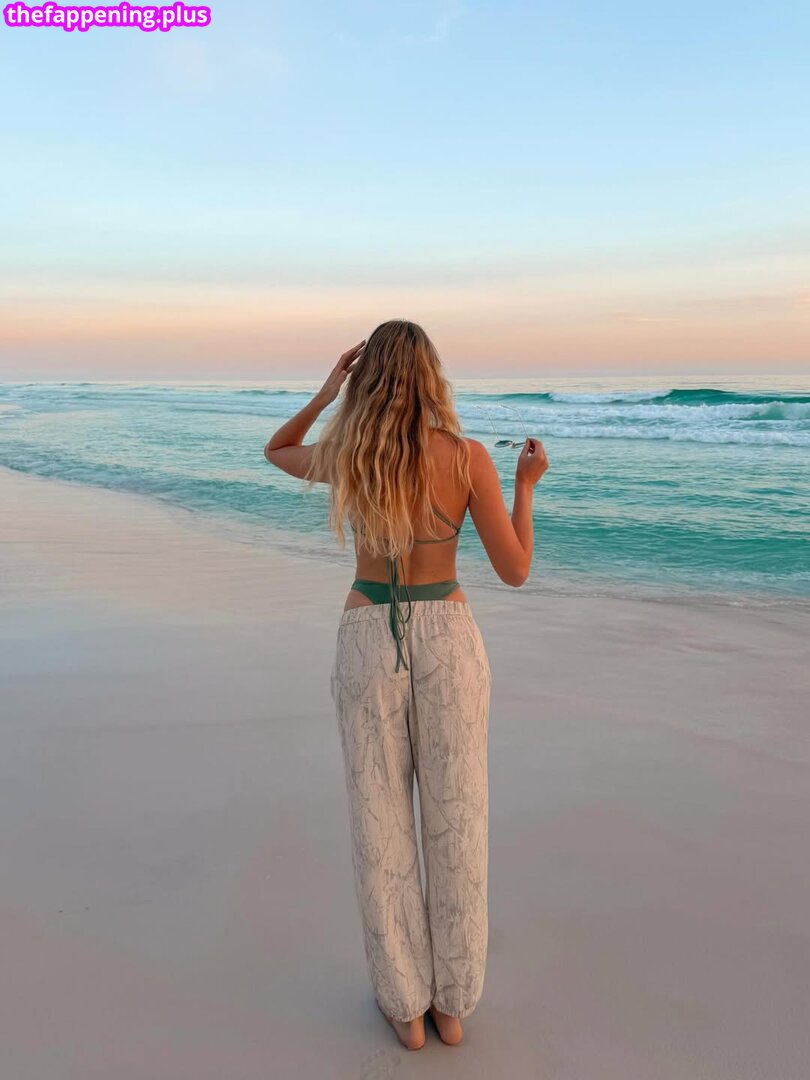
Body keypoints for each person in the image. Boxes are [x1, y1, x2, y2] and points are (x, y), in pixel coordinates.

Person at [264, 320, 548, 1050]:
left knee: (379, 819)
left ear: (367, 380)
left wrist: (327, 393)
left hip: (368, 634)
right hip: (449, 639)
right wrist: (525, 487)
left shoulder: (353, 455)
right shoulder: (467, 457)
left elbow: (277, 450)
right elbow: (515, 569)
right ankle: (453, 1003)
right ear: (431, 377)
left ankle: (403, 1002)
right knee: (459, 818)